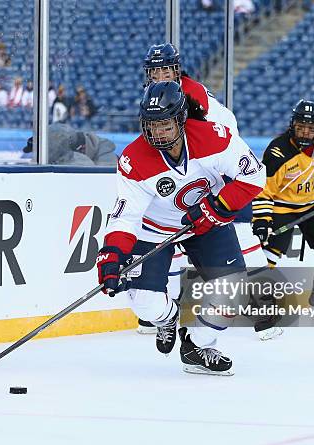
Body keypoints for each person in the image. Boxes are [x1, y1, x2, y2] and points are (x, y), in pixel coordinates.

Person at [96, 81, 265, 375]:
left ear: (181, 119)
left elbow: (254, 176)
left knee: (233, 292)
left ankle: (196, 345)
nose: (157, 132)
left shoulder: (216, 138)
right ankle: (169, 318)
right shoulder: (133, 159)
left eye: (164, 124)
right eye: (151, 125)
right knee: (145, 306)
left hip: (208, 223)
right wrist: (111, 255)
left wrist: (217, 207)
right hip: (154, 228)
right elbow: (126, 217)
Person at [140, 42, 280, 340]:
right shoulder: (156, 96)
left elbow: (222, 137)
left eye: (166, 69)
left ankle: (263, 308)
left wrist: (219, 185)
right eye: (155, 70)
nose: (161, 75)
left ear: (177, 69)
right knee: (167, 235)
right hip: (193, 174)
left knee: (242, 236)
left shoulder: (194, 96)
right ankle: (166, 311)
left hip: (222, 171)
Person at [252, 100, 314, 315]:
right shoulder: (277, 153)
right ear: (292, 124)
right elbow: (263, 191)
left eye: (310, 127)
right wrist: (262, 220)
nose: (305, 132)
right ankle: (256, 301)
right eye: (300, 126)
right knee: (266, 259)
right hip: (281, 207)